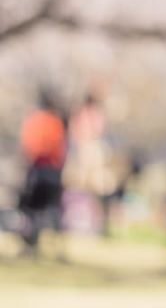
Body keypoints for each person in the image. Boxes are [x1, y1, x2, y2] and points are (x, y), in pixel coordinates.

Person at [18, 89, 67, 249]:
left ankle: (31, 244)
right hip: (51, 170)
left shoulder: (33, 120)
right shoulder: (55, 121)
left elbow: (28, 147)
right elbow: (59, 149)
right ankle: (55, 246)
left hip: (37, 169)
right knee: (51, 209)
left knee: (32, 209)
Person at [65, 90, 119, 235]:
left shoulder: (90, 114)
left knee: (97, 189)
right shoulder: (84, 114)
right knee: (81, 189)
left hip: (90, 152)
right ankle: (81, 223)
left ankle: (97, 224)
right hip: (84, 152)